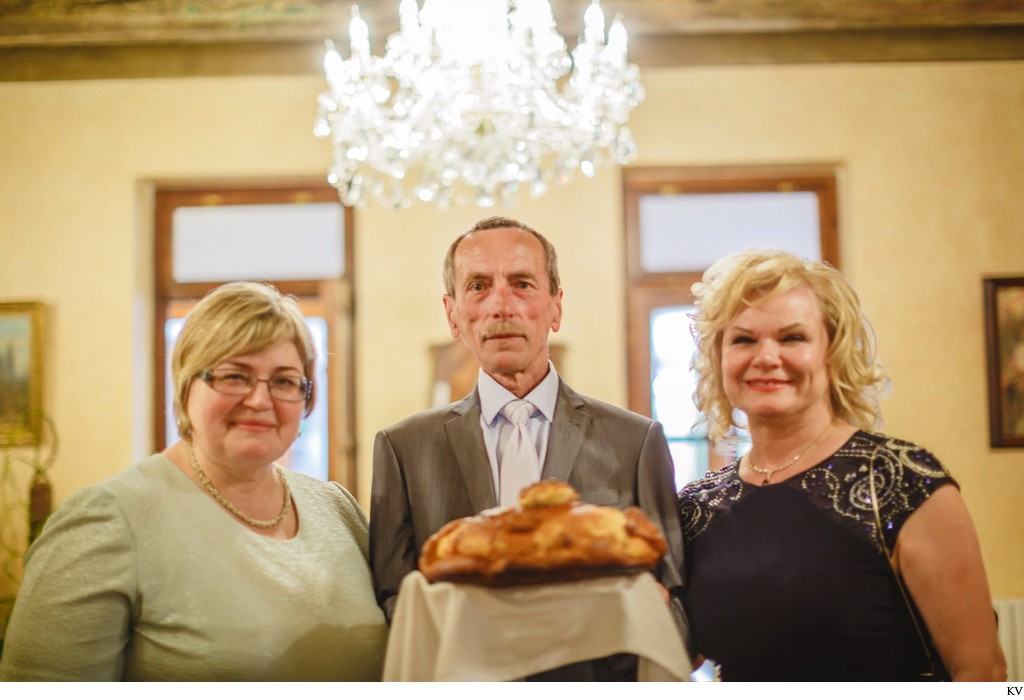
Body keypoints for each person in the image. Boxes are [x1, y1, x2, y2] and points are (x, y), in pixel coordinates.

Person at [0, 282, 388, 681]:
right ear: (186, 386)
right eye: (235, 376)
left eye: (285, 381)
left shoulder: (336, 508)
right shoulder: (107, 521)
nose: (260, 399)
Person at [369, 216, 687, 681]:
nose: (501, 305)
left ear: (556, 307)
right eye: (478, 286)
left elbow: (672, 600)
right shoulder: (402, 448)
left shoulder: (636, 441)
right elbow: (393, 601)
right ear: (453, 313)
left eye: (522, 284)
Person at [677, 250, 1007, 681]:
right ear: (719, 357)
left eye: (792, 338)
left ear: (831, 352)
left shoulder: (903, 481)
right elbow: (678, 654)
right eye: (743, 339)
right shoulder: (697, 507)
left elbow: (982, 671)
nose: (766, 356)